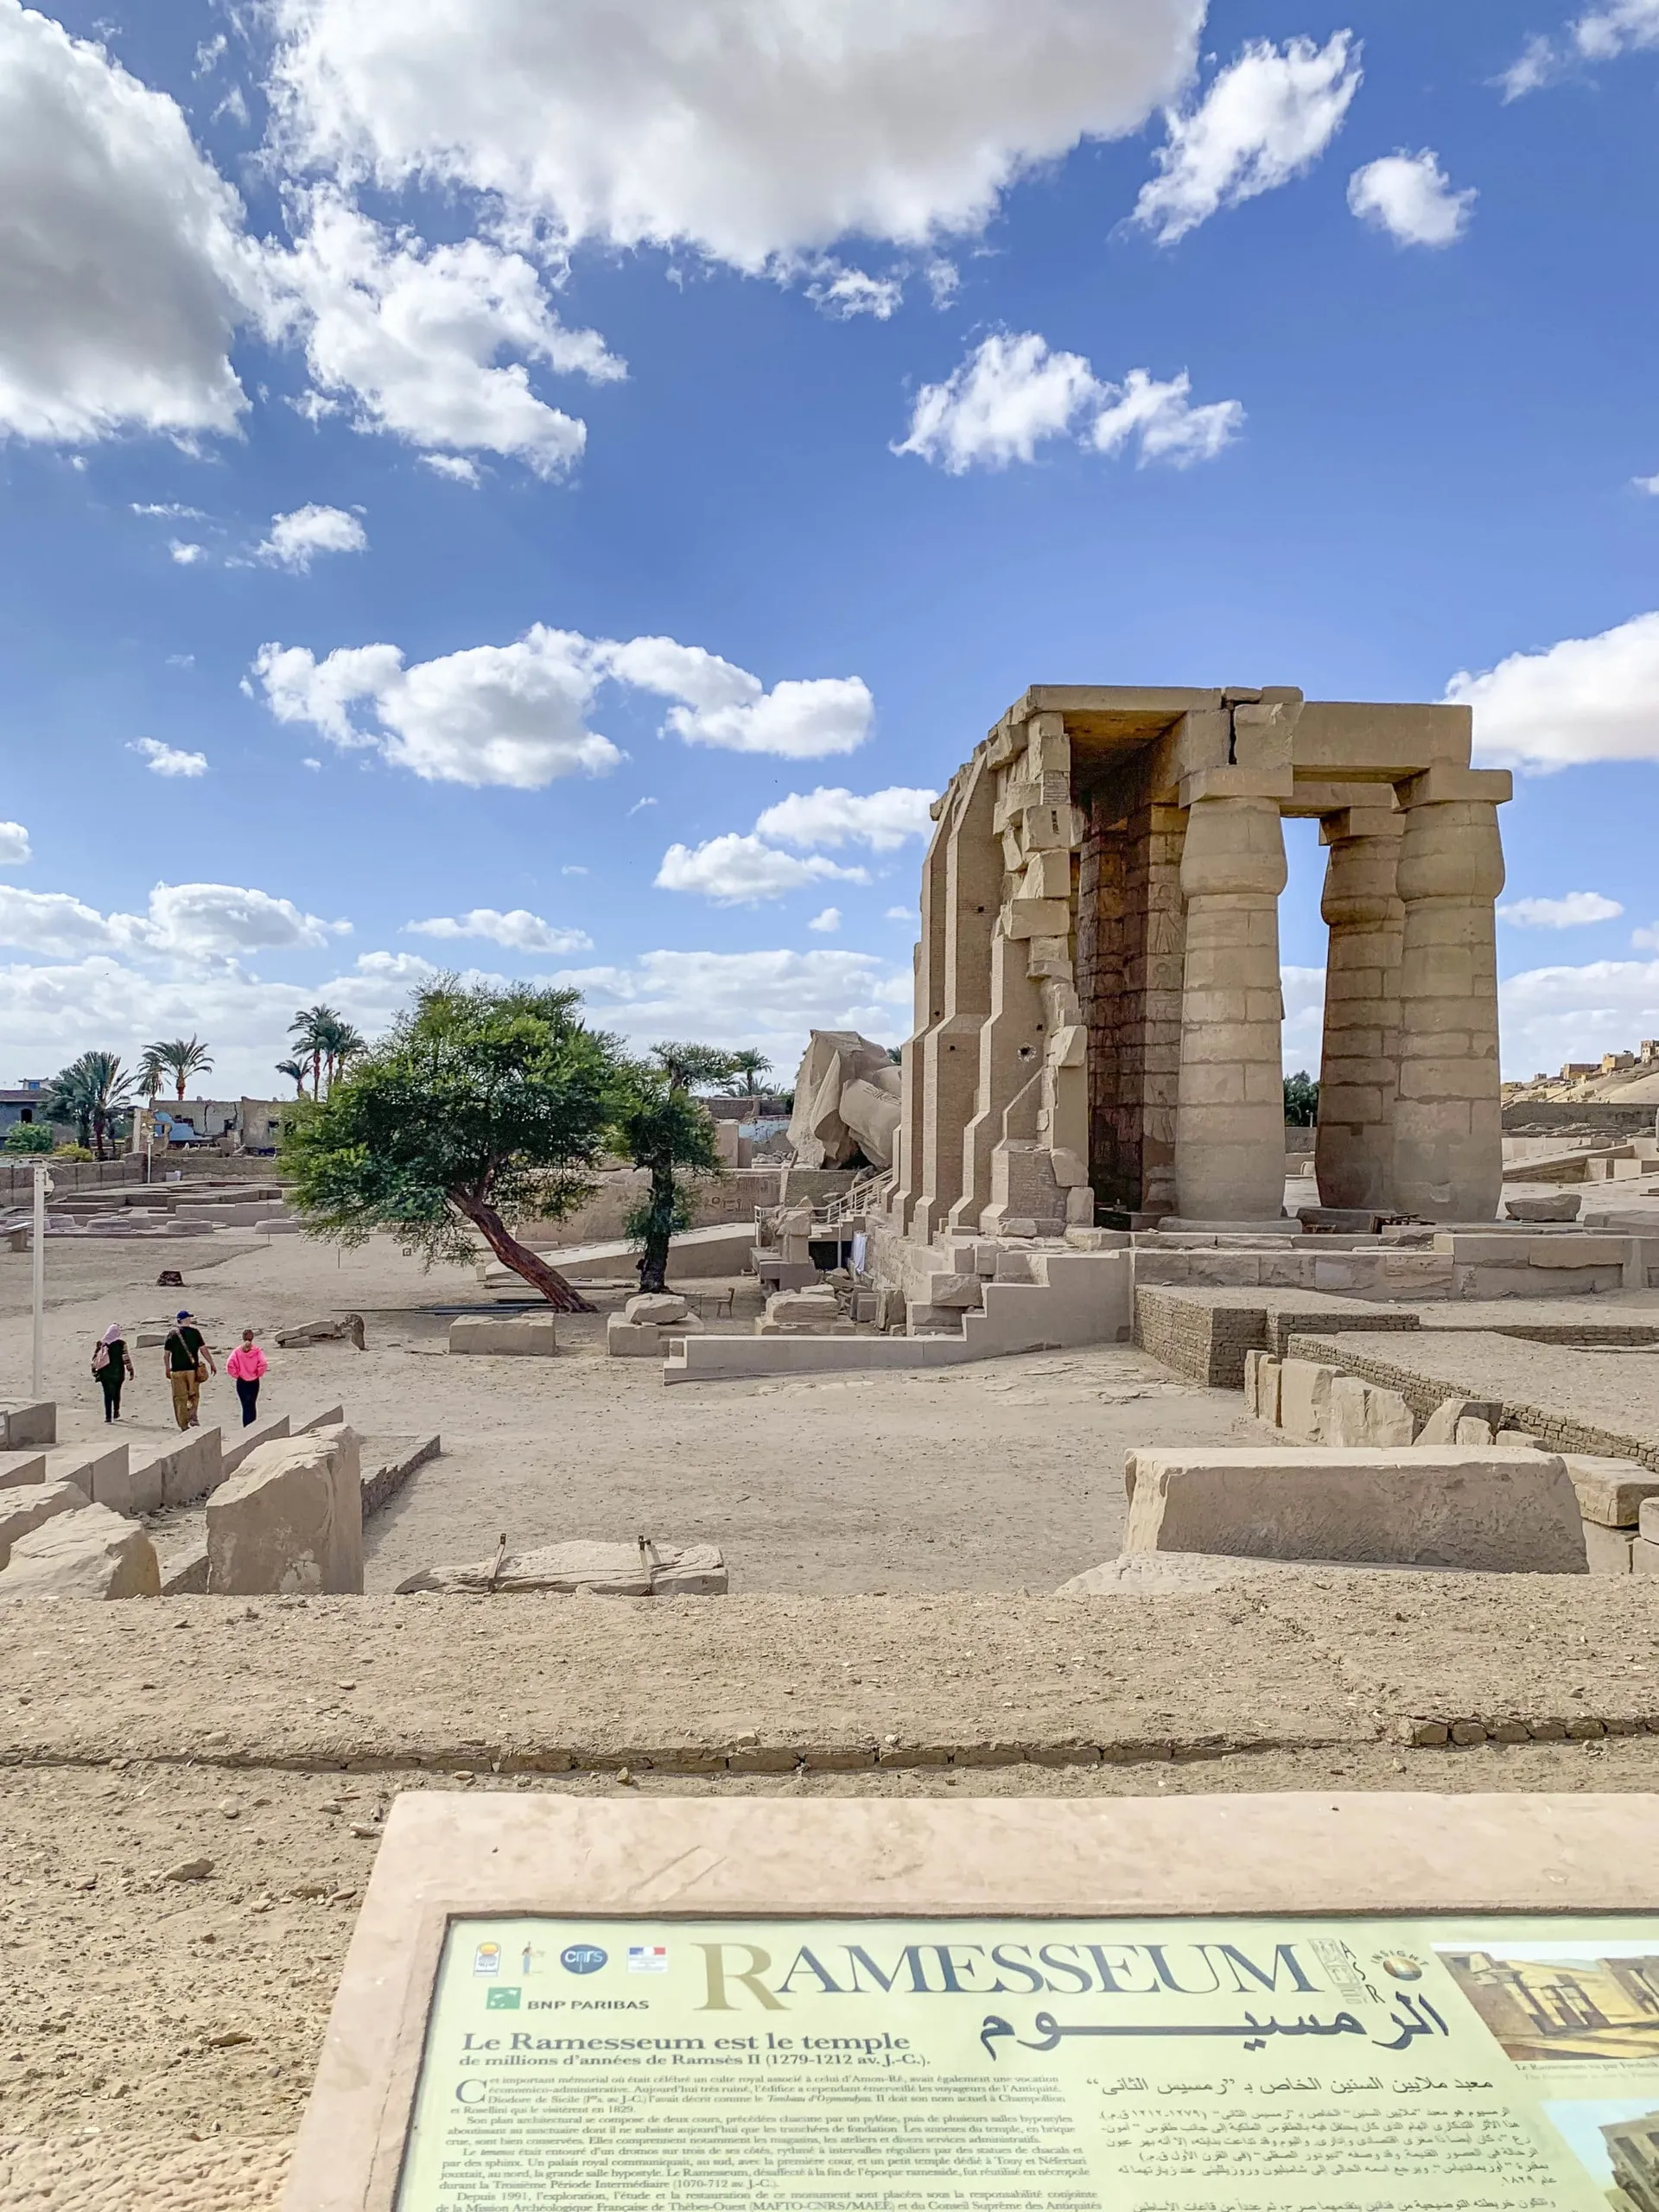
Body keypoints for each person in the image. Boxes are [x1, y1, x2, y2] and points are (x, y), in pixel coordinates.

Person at [161, 1309, 215, 1431]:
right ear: (185, 1320)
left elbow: (166, 1354)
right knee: (193, 1395)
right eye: (189, 1318)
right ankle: (192, 1418)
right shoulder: (195, 1333)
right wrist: (211, 1363)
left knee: (179, 1398)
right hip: (192, 1370)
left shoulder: (172, 1334)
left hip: (177, 1371)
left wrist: (167, 1368)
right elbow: (203, 1350)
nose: (190, 1320)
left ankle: (183, 1425)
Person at [225, 1327, 268, 1427]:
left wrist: (236, 1375)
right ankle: (253, 1426)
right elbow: (263, 1363)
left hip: (242, 1381)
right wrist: (258, 1373)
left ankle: (246, 1426)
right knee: (252, 1405)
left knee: (245, 1406)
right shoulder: (257, 1351)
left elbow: (230, 1364)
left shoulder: (237, 1351)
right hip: (254, 1381)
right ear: (253, 1338)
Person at [91, 1324, 134, 1422]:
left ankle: (108, 1417)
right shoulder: (121, 1344)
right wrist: (130, 1370)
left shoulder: (101, 1343)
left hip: (105, 1373)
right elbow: (125, 1358)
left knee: (107, 1394)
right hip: (118, 1372)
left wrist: (94, 1370)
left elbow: (95, 1358)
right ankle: (116, 1412)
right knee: (117, 1393)